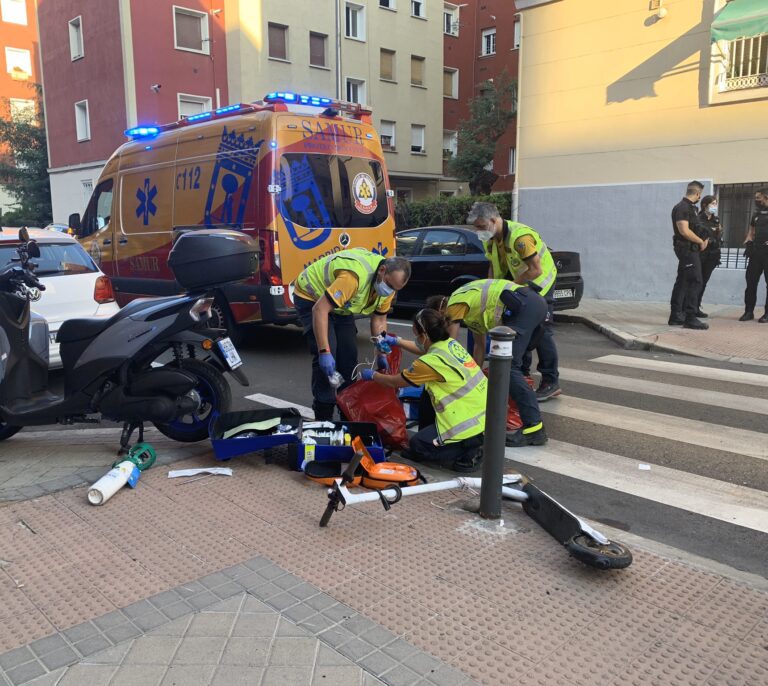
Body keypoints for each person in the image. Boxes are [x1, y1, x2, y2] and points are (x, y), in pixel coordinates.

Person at [361, 308, 487, 472]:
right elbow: (424, 348)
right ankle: (454, 437)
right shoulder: (450, 344)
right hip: (482, 411)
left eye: (416, 334)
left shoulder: (429, 363)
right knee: (428, 392)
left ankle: (470, 449)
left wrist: (373, 376)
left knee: (418, 446)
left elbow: (394, 382)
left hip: (468, 423)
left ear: (425, 335)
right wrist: (397, 340)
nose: (416, 338)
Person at [427, 279, 549, 447]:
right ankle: (529, 422)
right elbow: (479, 346)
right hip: (528, 304)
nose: (442, 324)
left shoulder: (455, 302)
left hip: (525, 305)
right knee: (510, 366)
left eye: (440, 321)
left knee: (508, 367)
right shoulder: (471, 314)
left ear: (440, 311)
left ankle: (534, 428)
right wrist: (472, 377)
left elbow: (449, 342)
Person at [293, 249, 411, 420]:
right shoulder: (354, 277)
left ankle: (347, 410)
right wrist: (324, 352)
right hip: (311, 296)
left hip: (340, 305)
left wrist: (380, 350)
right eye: (389, 285)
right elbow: (320, 309)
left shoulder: (389, 286)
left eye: (395, 289)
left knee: (348, 357)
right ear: (382, 270)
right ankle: (323, 415)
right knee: (327, 355)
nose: (390, 291)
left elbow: (379, 320)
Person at [466, 202, 560, 402]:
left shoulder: (520, 237)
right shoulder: (490, 238)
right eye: (476, 227)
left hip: (539, 285)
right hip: (519, 288)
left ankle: (551, 381)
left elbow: (536, 269)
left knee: (541, 332)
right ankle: (522, 376)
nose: (478, 231)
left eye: (481, 226)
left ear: (493, 220)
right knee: (517, 330)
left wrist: (508, 288)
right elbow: (492, 265)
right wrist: (491, 288)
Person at [669, 181, 709, 329]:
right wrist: (700, 241)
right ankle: (690, 317)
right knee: (696, 280)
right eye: (700, 195)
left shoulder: (690, 208)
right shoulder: (683, 207)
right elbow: (684, 230)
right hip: (687, 249)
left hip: (690, 249)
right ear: (698, 194)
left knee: (683, 280)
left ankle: (676, 316)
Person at [741, 189, 768, 322]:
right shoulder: (756, 215)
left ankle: (767, 314)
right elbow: (751, 232)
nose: (756, 200)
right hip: (756, 253)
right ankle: (748, 312)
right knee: (751, 282)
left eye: (758, 198)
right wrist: (748, 242)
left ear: (766, 197)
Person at [696, 195, 722, 316]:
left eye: (715, 204)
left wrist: (718, 234)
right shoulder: (698, 218)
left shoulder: (716, 220)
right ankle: (688, 307)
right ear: (704, 205)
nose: (714, 206)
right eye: (712, 204)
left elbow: (717, 235)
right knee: (696, 281)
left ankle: (696, 306)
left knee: (704, 281)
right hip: (701, 254)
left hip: (713, 255)